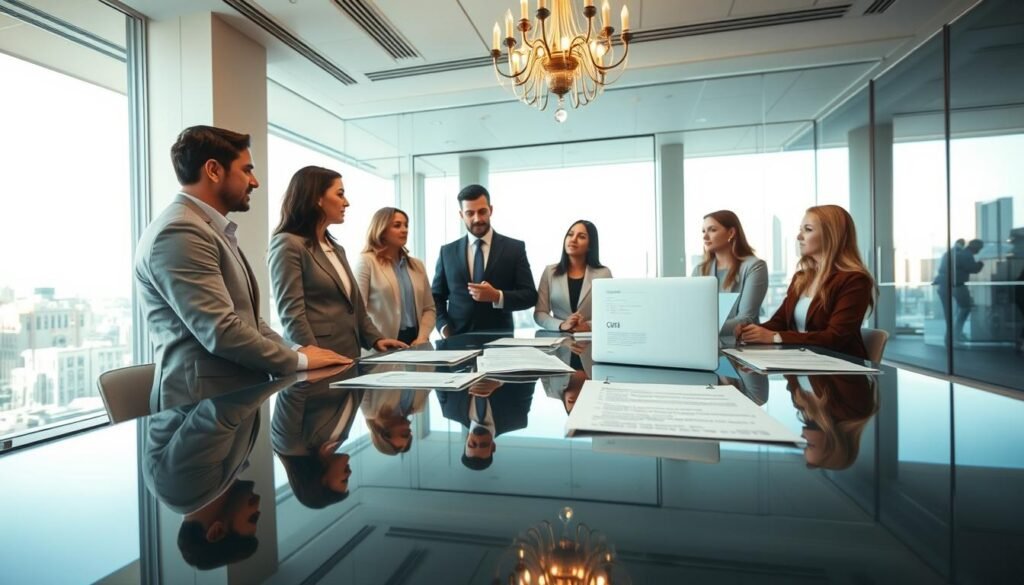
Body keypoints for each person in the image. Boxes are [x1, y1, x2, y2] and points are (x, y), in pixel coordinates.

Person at [134, 126, 347, 412]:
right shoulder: (181, 231)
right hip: (196, 409)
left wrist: (298, 350)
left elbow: (248, 321)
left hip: (228, 401)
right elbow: (221, 331)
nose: (255, 182)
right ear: (213, 170)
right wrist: (302, 362)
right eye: (247, 170)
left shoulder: (210, 228)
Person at [268, 166, 406, 358]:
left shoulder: (336, 248)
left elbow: (355, 307)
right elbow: (292, 316)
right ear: (317, 198)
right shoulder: (288, 244)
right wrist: (314, 356)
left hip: (348, 356)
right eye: (340, 194)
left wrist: (376, 339)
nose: (346, 202)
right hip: (319, 361)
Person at [737, 205, 876, 359]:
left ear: (831, 236)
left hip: (837, 372)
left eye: (808, 230)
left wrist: (775, 337)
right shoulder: (802, 278)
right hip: (801, 366)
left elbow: (836, 337)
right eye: (801, 229)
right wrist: (748, 331)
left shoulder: (855, 280)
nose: (799, 237)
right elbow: (779, 322)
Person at [432, 184, 538, 336]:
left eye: (482, 211)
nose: (477, 219)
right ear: (461, 215)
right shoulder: (447, 252)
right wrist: (443, 327)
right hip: (455, 341)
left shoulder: (514, 248)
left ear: (491, 210)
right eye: (470, 213)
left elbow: (529, 296)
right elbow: (436, 297)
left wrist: (497, 296)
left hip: (500, 340)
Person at [271, 382, 364, 509]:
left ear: (322, 481)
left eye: (344, 480)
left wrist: (340, 364)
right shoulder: (337, 441)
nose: (349, 473)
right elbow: (358, 386)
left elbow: (293, 387)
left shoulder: (289, 445)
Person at [355, 207, 436, 346]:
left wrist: (422, 338)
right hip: (382, 343)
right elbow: (358, 310)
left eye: (406, 225)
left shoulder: (417, 265)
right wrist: (376, 340)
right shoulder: (366, 261)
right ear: (382, 230)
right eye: (397, 225)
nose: (404, 230)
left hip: (416, 342)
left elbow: (429, 308)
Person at [691, 210, 768, 337]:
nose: (705, 237)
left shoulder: (754, 267)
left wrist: (700, 327)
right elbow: (693, 313)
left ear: (731, 233)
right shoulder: (699, 270)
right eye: (703, 231)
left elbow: (746, 319)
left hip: (742, 346)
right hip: (705, 344)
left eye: (712, 230)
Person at [785, 374, 878, 470]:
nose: (802, 439)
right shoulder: (853, 409)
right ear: (832, 444)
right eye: (809, 444)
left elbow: (786, 369)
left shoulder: (804, 408)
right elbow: (841, 365)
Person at [436, 379, 534, 470]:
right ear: (493, 447)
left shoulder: (449, 410)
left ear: (466, 441)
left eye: (472, 444)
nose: (478, 438)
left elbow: (440, 372)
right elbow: (530, 376)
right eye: (483, 444)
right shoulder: (516, 418)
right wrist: (500, 380)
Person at [534, 220, 613, 332]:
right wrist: (562, 325)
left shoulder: (603, 274)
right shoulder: (549, 272)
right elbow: (540, 313)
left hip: (590, 339)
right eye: (570, 234)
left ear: (590, 245)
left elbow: (609, 313)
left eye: (581, 237)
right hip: (558, 340)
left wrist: (589, 326)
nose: (573, 239)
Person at [933, 238, 985, 343]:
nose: (979, 251)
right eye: (979, 249)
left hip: (942, 286)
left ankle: (949, 337)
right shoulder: (966, 254)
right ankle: (956, 334)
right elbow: (973, 269)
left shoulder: (949, 253)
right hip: (957, 286)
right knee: (966, 308)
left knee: (949, 314)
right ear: (975, 247)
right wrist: (981, 263)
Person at [360, 388, 430, 455]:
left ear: (385, 434)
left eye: (405, 433)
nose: (409, 427)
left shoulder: (370, 409)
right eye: (409, 432)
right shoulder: (418, 406)